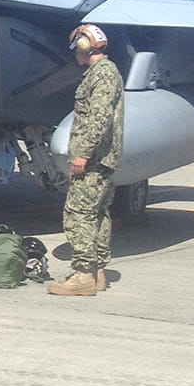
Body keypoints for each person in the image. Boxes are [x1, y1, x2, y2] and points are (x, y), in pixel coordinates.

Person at [49, 23, 124, 296]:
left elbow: (99, 118)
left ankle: (83, 275)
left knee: (77, 213)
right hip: (102, 159)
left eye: (76, 46)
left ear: (84, 46)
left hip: (93, 160)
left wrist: (83, 153)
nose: (74, 53)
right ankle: (97, 272)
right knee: (98, 214)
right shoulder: (105, 72)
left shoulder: (102, 74)